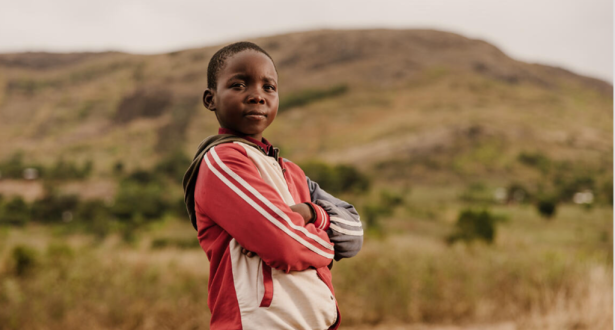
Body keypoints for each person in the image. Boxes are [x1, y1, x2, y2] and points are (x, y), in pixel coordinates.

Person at [183, 41, 363, 330]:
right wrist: (327, 248)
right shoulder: (222, 161)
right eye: (239, 85)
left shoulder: (290, 172)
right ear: (210, 99)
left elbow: (354, 234)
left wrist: (311, 213)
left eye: (269, 87)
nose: (257, 96)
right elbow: (284, 245)